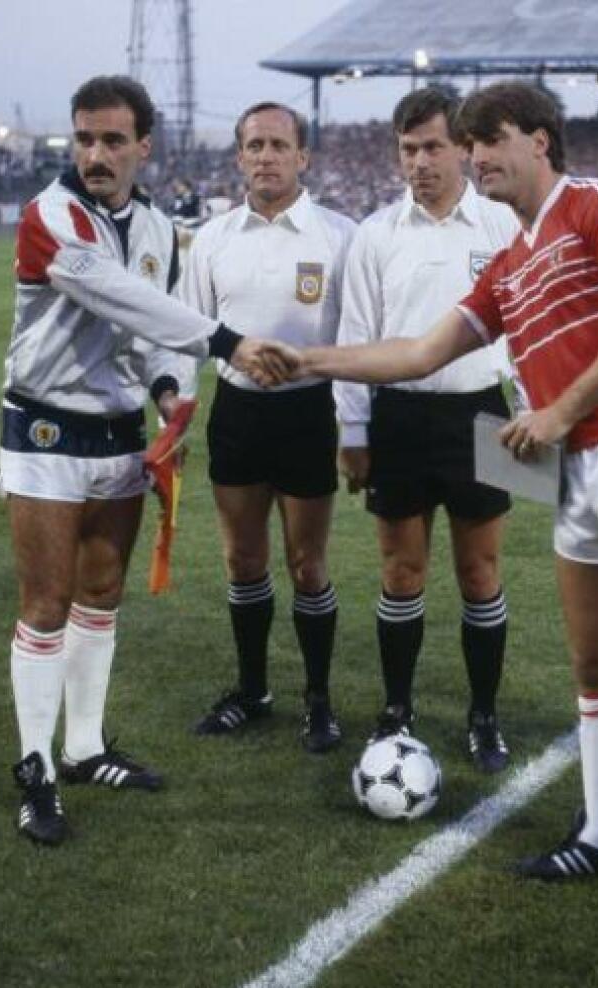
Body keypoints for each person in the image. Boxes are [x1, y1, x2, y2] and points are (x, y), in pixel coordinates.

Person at [268, 82, 598, 962]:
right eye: (471, 142)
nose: (478, 155)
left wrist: (559, 412)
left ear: (541, 140)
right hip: (579, 471)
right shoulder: (510, 262)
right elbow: (418, 352)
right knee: (596, 669)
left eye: (492, 139)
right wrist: (307, 360)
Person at [0, 75, 280, 846]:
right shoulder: (50, 216)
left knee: (101, 594)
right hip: (46, 430)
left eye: (113, 140)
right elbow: (123, 297)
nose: (95, 154)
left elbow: (157, 333)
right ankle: (36, 769)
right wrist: (224, 343)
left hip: (121, 432)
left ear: (143, 147)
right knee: (46, 602)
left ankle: (84, 748)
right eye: (84, 138)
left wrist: (169, 392)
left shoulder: (158, 227)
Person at [335, 88, 522, 772]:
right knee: (401, 571)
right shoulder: (375, 234)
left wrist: (535, 411)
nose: (419, 162)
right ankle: (397, 709)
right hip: (400, 417)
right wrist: (353, 428)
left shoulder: (502, 225)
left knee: (480, 572)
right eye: (408, 149)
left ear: (463, 149)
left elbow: (528, 330)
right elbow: (355, 337)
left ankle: (484, 715)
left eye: (433, 147)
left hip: (483, 413)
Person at [178, 102, 356, 753]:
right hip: (238, 413)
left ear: (302, 156)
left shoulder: (340, 236)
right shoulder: (212, 238)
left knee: (307, 564)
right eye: (254, 145)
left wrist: (356, 424)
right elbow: (189, 331)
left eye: (279, 145)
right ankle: (252, 692)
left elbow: (358, 337)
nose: (266, 156)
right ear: (239, 157)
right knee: (243, 560)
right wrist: (179, 411)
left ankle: (319, 700)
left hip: (308, 413)